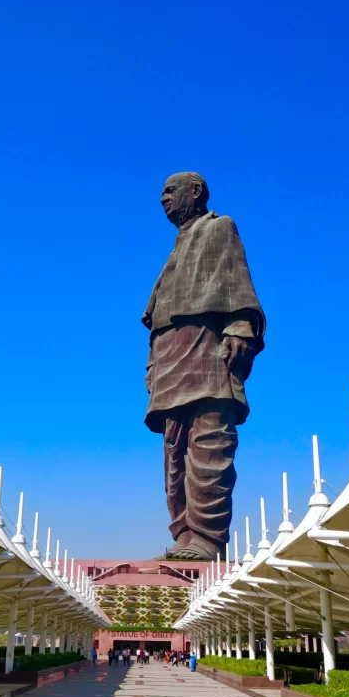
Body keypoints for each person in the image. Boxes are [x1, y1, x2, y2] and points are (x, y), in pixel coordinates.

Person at [142, 172, 265, 560]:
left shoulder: (219, 228)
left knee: (209, 440)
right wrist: (152, 363)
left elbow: (236, 281)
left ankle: (208, 537)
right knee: (174, 448)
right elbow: (156, 315)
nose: (162, 198)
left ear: (194, 192)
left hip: (206, 348)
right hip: (170, 355)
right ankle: (184, 533)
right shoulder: (175, 249)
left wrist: (240, 327)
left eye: (169, 191)